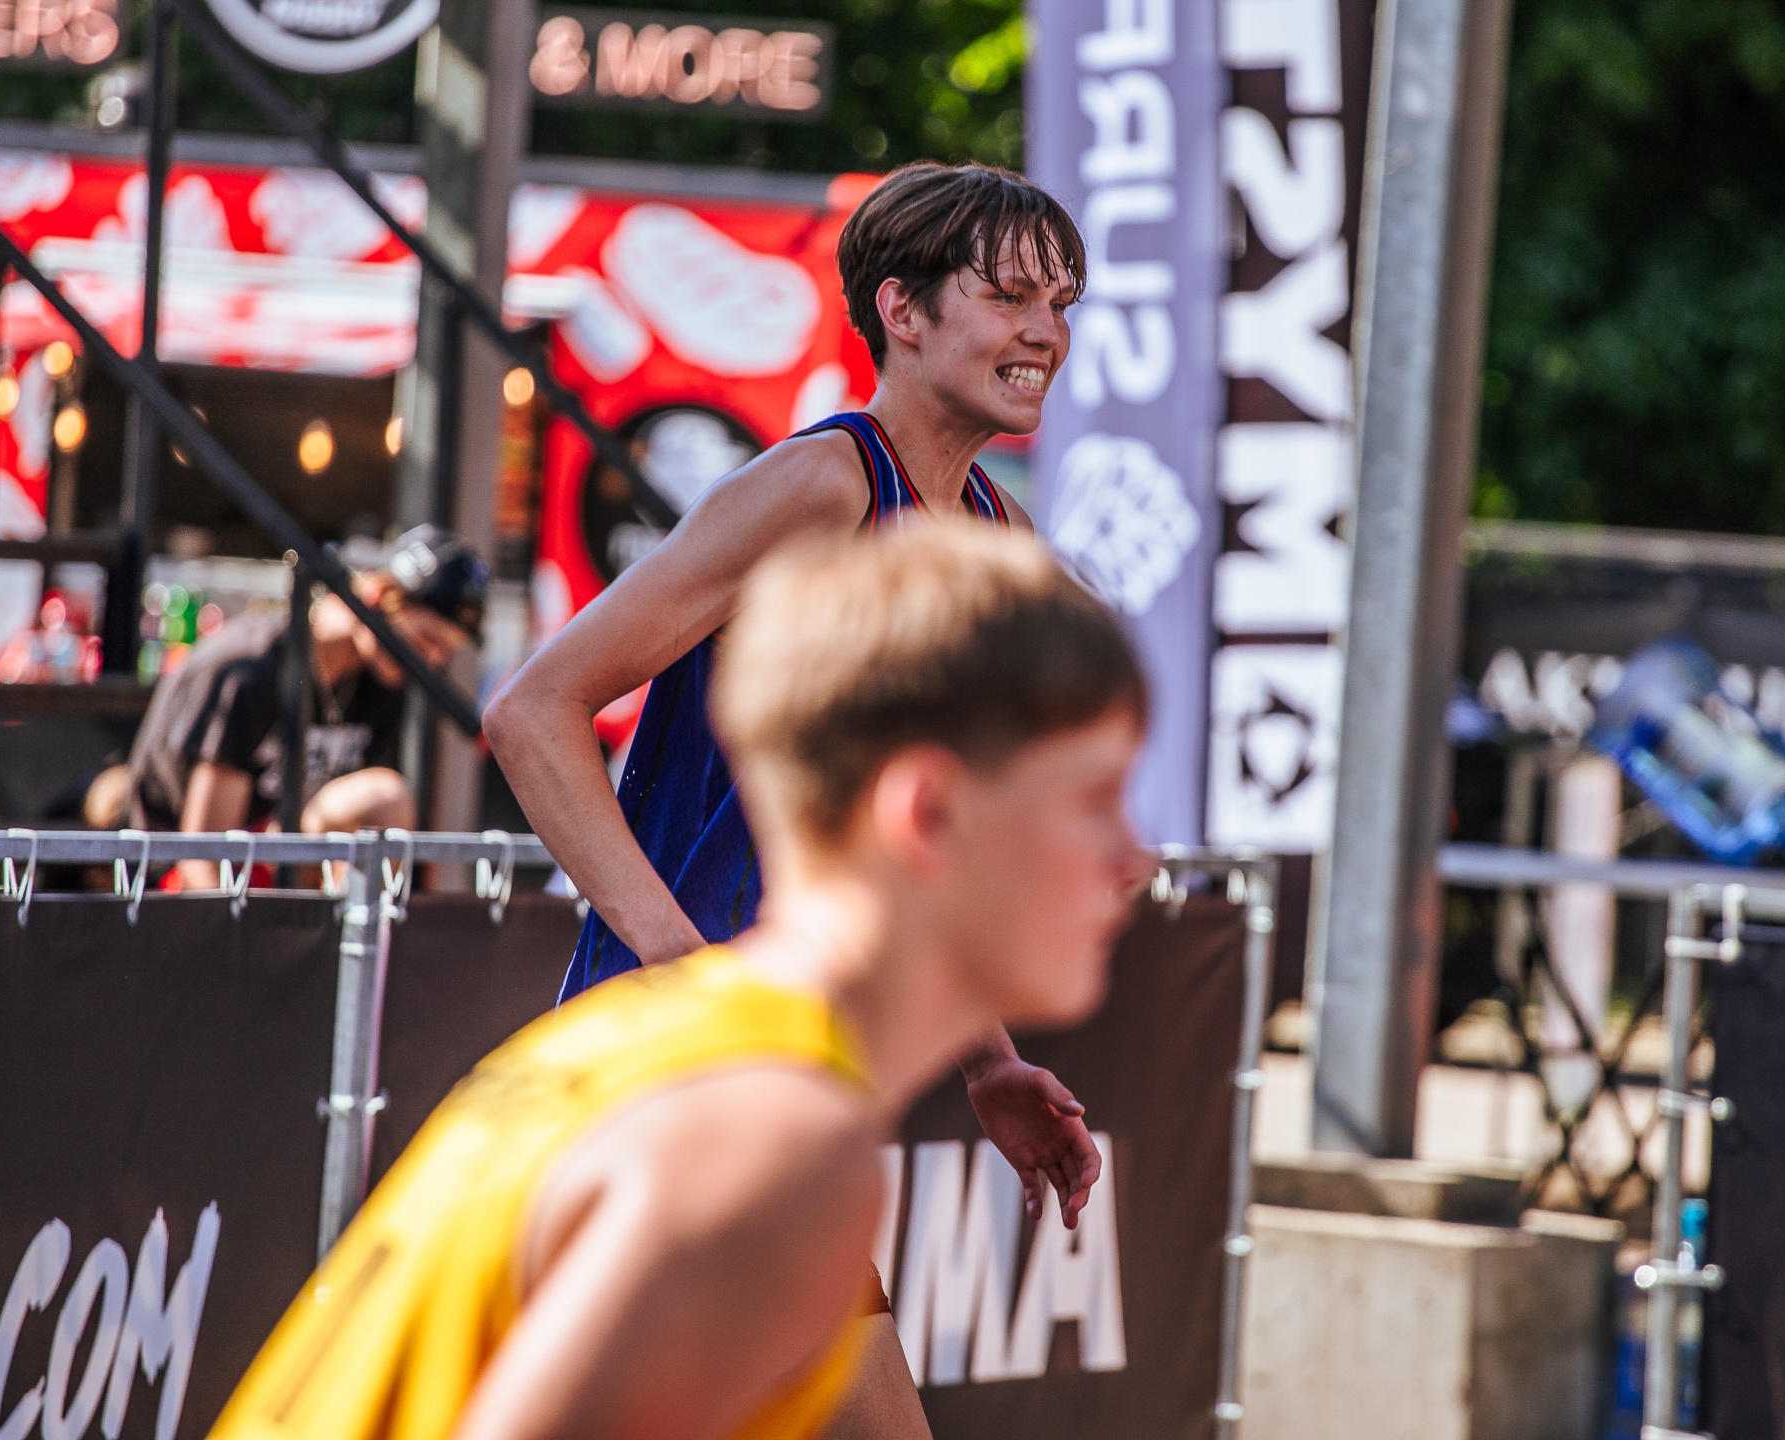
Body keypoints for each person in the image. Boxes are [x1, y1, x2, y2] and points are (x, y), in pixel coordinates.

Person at [210, 524, 1152, 1440]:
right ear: (928, 813)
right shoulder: (764, 1141)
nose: (1135, 858)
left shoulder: (717, 1061)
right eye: (1094, 800)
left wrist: (988, 1062)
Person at [485, 161, 1089, 1437]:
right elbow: (533, 711)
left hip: (773, 1089)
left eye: (1062, 302)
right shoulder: (822, 485)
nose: (1046, 330)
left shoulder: (991, 536)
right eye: (1011, 295)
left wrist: (989, 1062)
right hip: (672, 1078)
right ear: (901, 311)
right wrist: (681, 967)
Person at [126, 525, 487, 890]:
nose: (432, 660)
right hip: (170, 876)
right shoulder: (251, 669)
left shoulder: (381, 680)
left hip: (273, 859)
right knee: (383, 796)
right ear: (377, 596)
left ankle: (354, 925)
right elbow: (202, 854)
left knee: (382, 801)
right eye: (426, 639)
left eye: (445, 651)